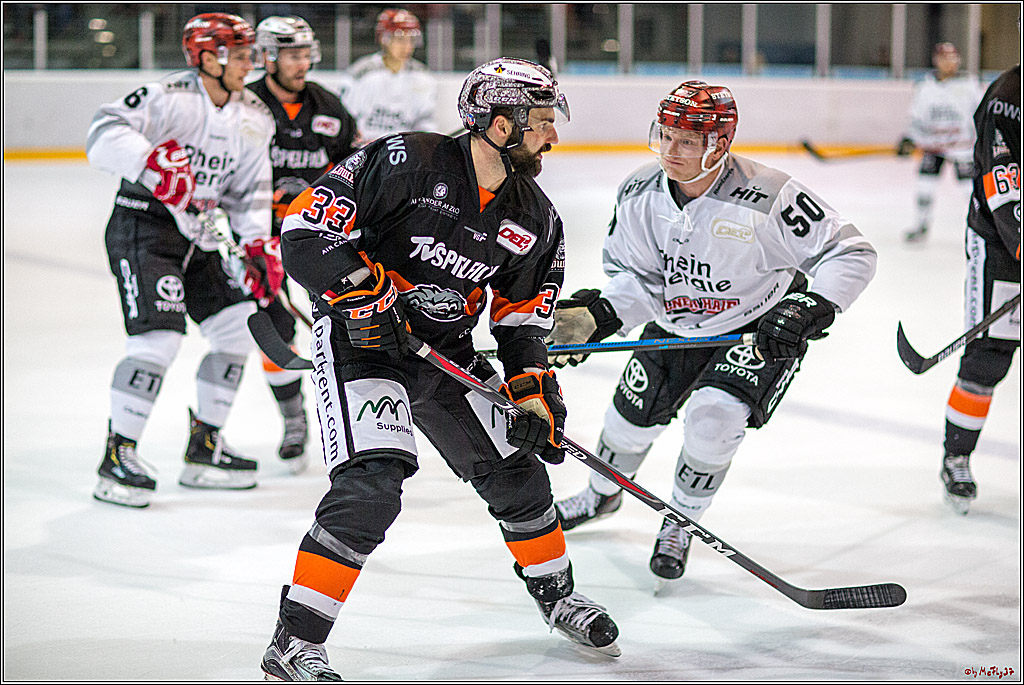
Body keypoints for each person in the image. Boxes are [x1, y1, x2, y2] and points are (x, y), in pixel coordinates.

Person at [258, 58, 621, 681]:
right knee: (372, 487)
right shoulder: (406, 161)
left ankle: (559, 599)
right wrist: (361, 292)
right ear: (500, 123)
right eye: (540, 121)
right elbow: (305, 229)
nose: (552, 135)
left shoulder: (535, 217)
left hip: (445, 353)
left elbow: (522, 320)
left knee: (518, 473)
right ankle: (294, 641)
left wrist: (532, 391)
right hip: (361, 346)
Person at [548, 81, 878, 590]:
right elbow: (638, 278)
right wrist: (604, 314)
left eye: (687, 140)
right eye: (665, 136)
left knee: (712, 421)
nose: (671, 151)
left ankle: (680, 519)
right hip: (673, 329)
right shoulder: (639, 193)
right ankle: (600, 495)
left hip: (754, 331)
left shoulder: (770, 195)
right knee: (625, 423)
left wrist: (810, 306)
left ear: (720, 144)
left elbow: (851, 252)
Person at [86, 13, 280, 508]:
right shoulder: (168, 96)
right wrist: (149, 163)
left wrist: (257, 244)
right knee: (159, 339)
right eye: (240, 56)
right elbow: (103, 131)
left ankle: (205, 447)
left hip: (202, 236)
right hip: (145, 226)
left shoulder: (255, 116)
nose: (250, 65)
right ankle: (117, 455)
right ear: (209, 59)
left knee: (237, 328)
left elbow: (252, 189)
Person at [248, 15, 361, 473]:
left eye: (305, 54)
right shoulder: (245, 106)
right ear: (267, 57)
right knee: (277, 326)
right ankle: (294, 419)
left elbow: (354, 167)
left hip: (317, 236)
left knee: (343, 318)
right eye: (292, 55)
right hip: (257, 237)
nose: (302, 63)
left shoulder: (328, 106)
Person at [936, 63, 1020, 515]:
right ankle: (957, 457)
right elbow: (1004, 189)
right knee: (989, 355)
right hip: (1001, 244)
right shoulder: (1009, 96)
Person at [899, 42, 984, 244]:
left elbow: (981, 115)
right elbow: (916, 119)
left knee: (970, 192)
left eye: (953, 58)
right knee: (924, 188)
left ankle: (982, 229)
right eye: (944, 58)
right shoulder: (925, 87)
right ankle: (921, 225)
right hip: (933, 147)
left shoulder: (969, 86)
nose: (949, 63)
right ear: (936, 60)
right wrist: (910, 138)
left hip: (962, 148)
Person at [338, 8, 437, 142]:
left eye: (411, 40)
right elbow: (345, 117)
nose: (407, 47)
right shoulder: (361, 73)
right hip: (366, 149)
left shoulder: (423, 77)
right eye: (400, 40)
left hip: (403, 150)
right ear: (384, 39)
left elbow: (426, 121)